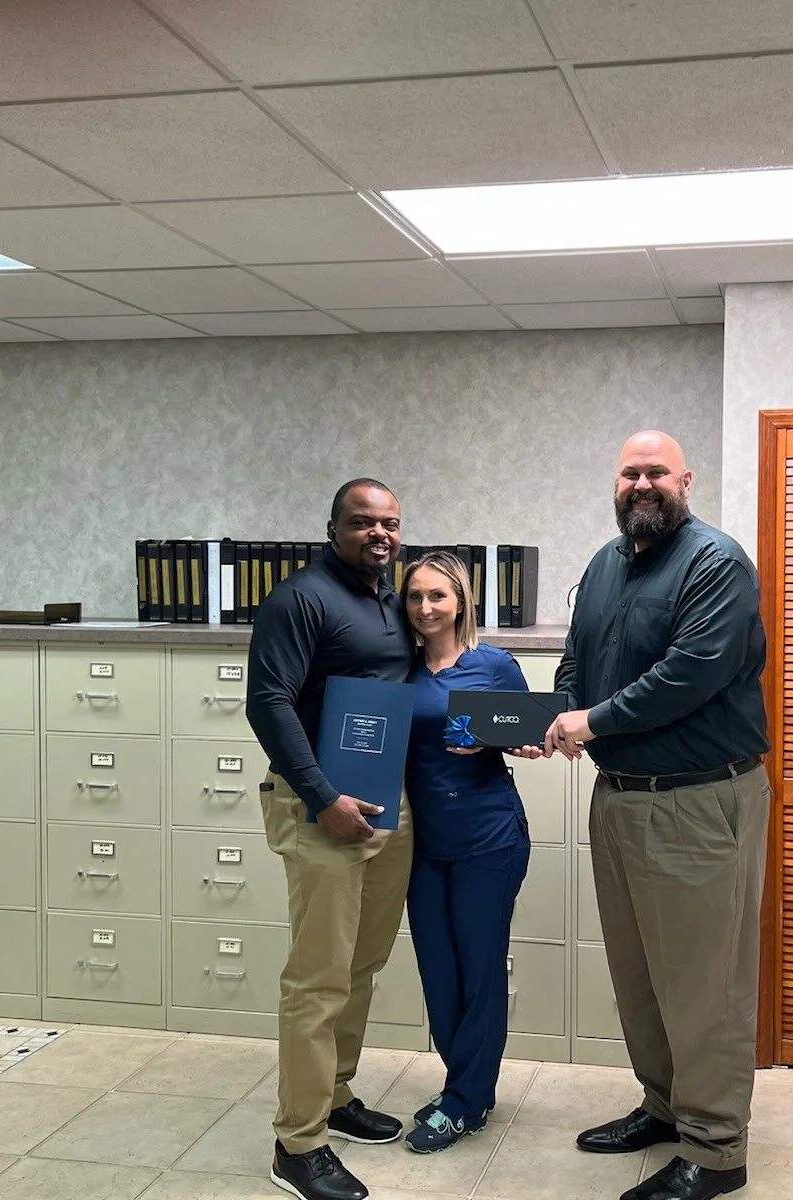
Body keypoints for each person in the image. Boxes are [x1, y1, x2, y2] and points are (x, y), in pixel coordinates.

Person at [543, 431, 771, 1200]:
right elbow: (576, 657)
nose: (642, 484)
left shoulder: (715, 563)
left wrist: (592, 722)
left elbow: (689, 674)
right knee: (639, 976)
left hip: (697, 802)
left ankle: (716, 1149)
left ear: (686, 480)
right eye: (629, 473)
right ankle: (666, 1107)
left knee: (705, 986)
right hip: (619, 799)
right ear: (616, 483)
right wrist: (561, 716)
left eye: (657, 473)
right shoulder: (604, 565)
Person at [247, 478, 414, 1200]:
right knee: (317, 979)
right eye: (363, 522)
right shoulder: (300, 599)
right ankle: (298, 1142)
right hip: (323, 808)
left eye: (390, 523)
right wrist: (322, 798)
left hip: (383, 805)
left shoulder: (391, 599)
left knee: (361, 965)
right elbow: (268, 702)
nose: (379, 534)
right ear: (333, 529)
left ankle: (336, 1094)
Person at [399, 550, 542, 1152]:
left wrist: (506, 741)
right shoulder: (399, 669)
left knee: (479, 970)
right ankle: (466, 1086)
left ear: (461, 601)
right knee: (438, 972)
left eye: (438, 595)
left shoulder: (493, 665)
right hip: (422, 844)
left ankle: (464, 1100)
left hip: (488, 838)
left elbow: (531, 733)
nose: (426, 607)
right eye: (415, 596)